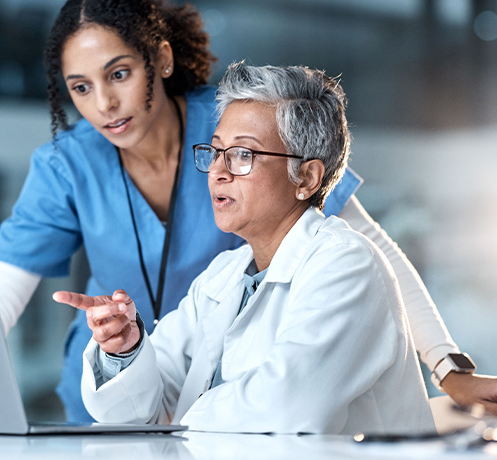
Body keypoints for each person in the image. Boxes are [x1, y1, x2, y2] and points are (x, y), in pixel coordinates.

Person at [0, 0, 497, 423]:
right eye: (81, 87)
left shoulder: (241, 127)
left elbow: (373, 252)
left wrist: (447, 366)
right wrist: (124, 350)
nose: (103, 104)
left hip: (224, 409)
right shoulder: (72, 167)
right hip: (156, 392)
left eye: (120, 75)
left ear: (162, 60)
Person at [57, 63, 434, 433]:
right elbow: (146, 405)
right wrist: (125, 351)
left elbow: (286, 407)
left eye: (242, 155)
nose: (219, 171)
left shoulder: (347, 264)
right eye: (217, 151)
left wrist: (177, 423)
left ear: (306, 177)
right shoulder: (225, 274)